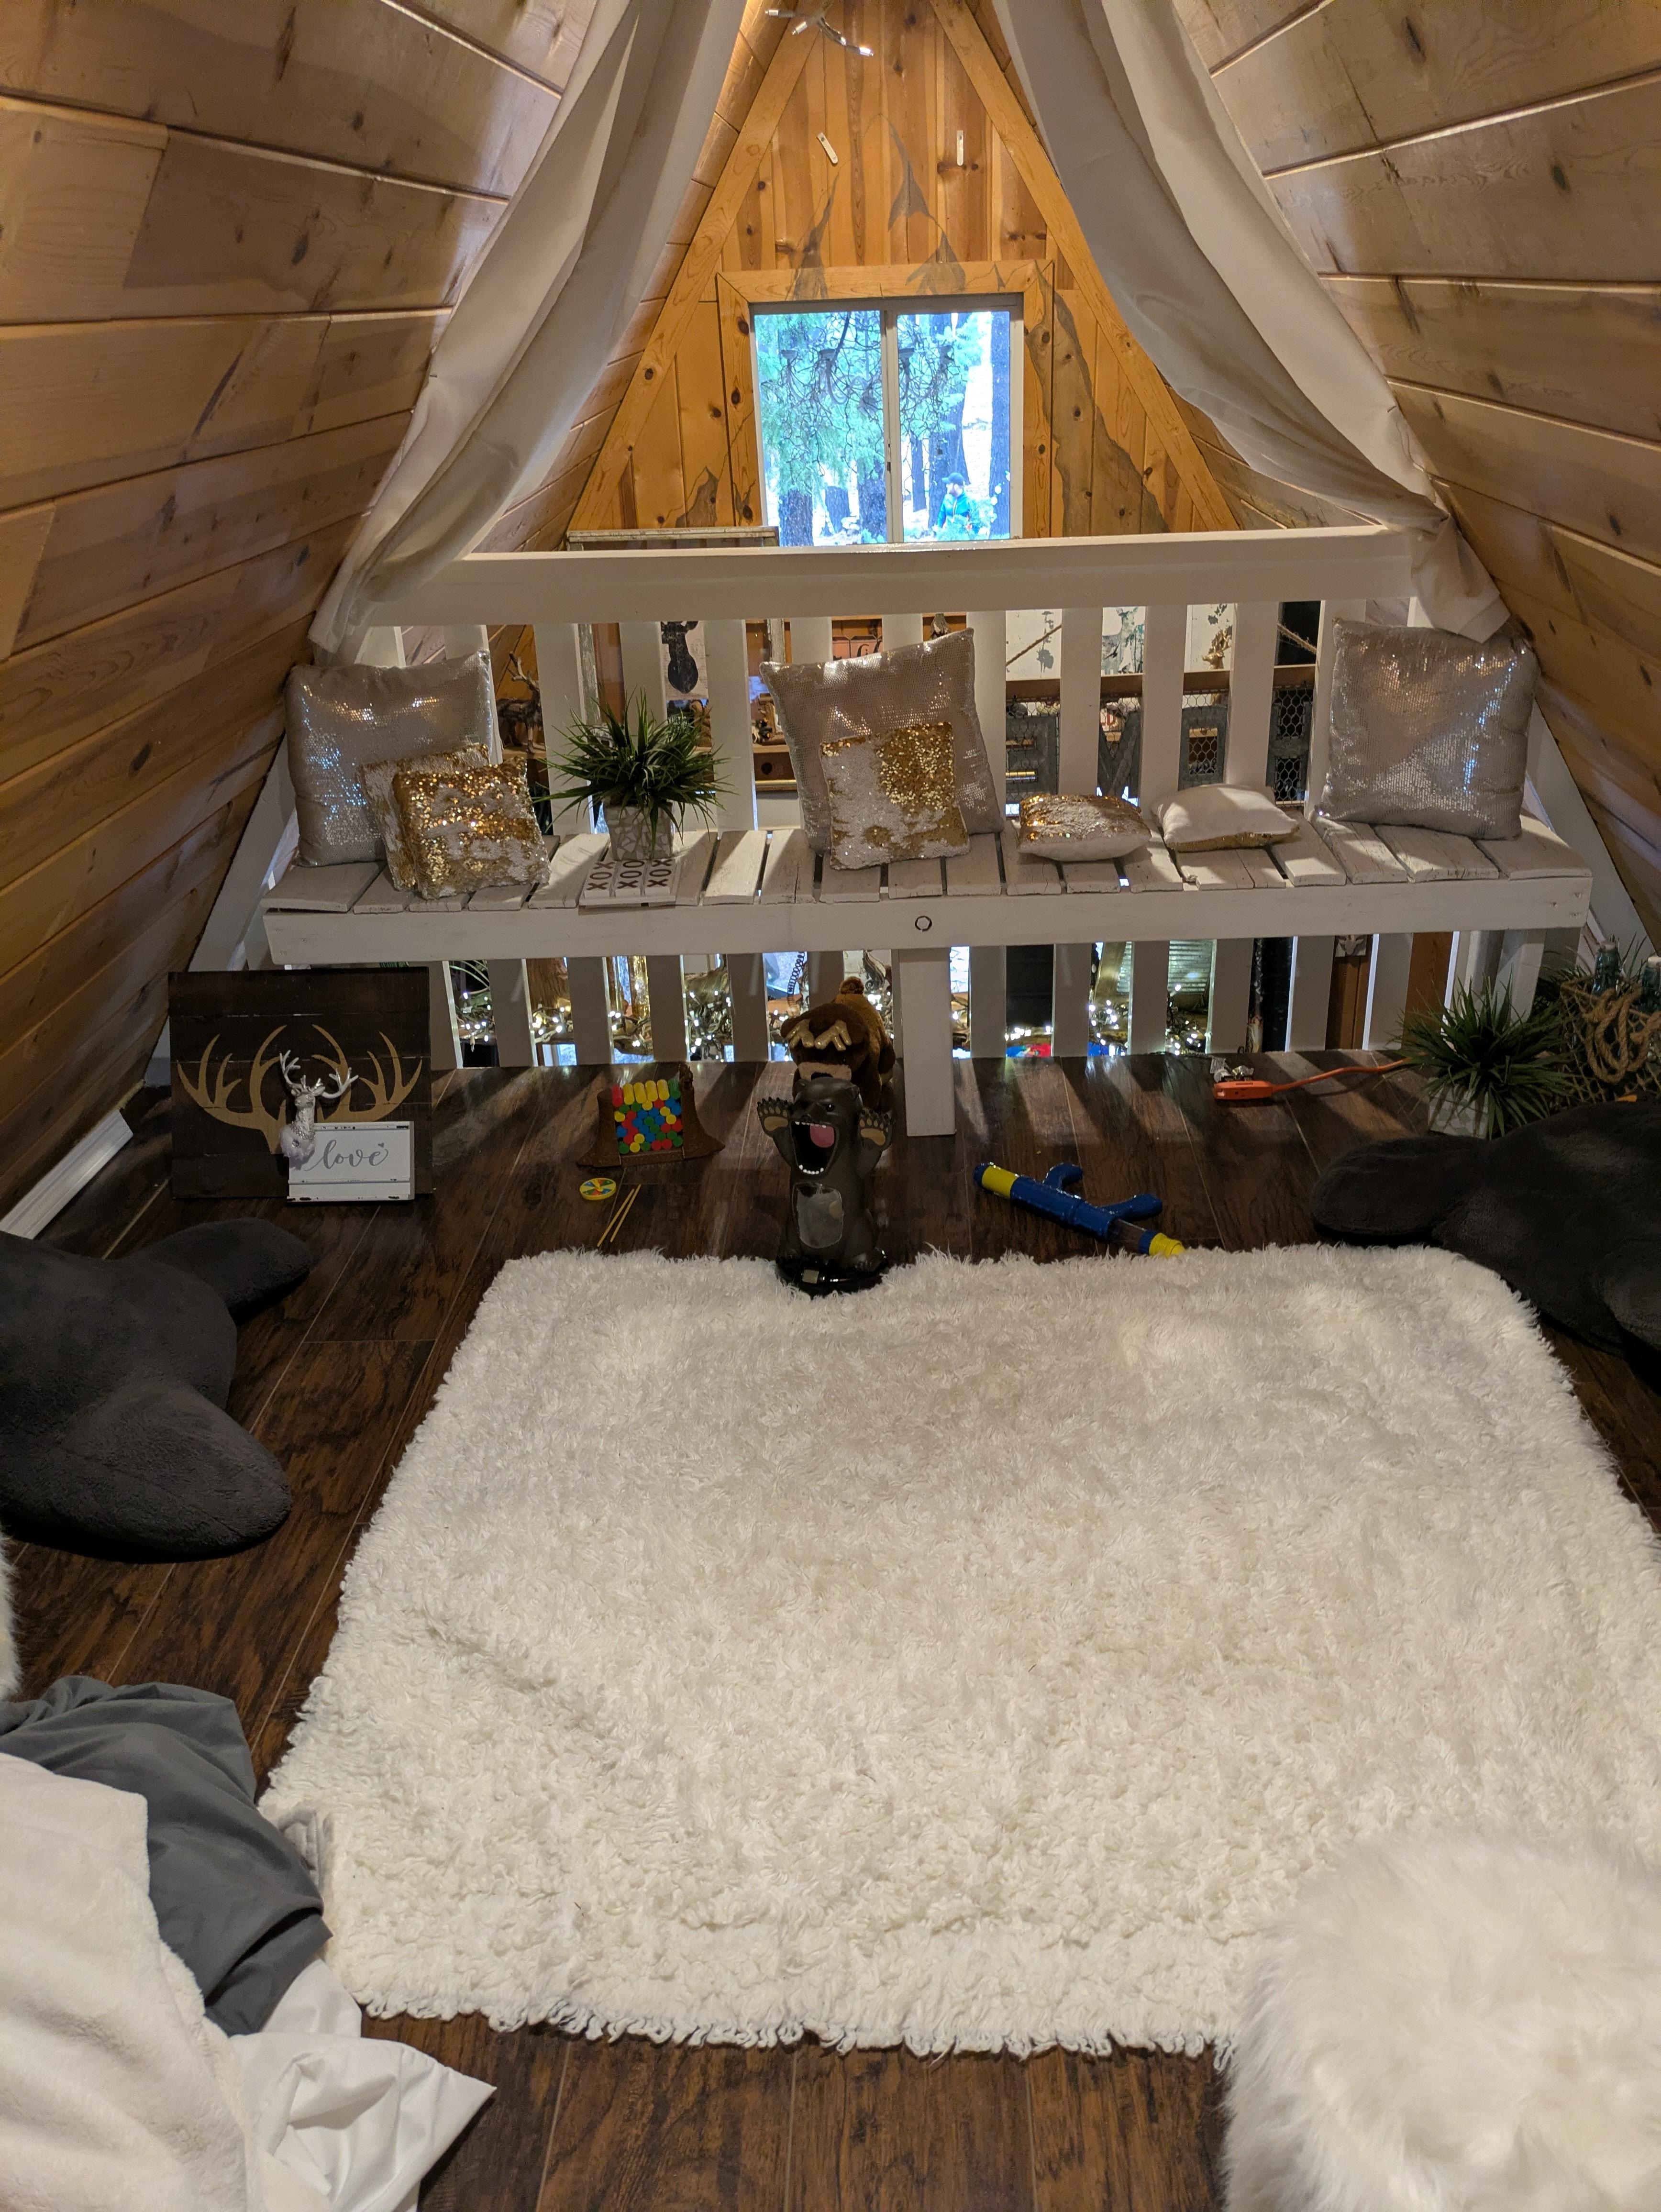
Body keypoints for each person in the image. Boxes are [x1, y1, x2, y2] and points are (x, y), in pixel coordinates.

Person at [935, 472, 981, 539]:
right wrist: (939, 534)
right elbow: (941, 518)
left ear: (956, 487)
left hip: (963, 539)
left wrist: (970, 538)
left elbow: (976, 524)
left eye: (949, 484)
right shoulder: (947, 498)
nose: (947, 486)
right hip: (948, 537)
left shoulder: (970, 501)